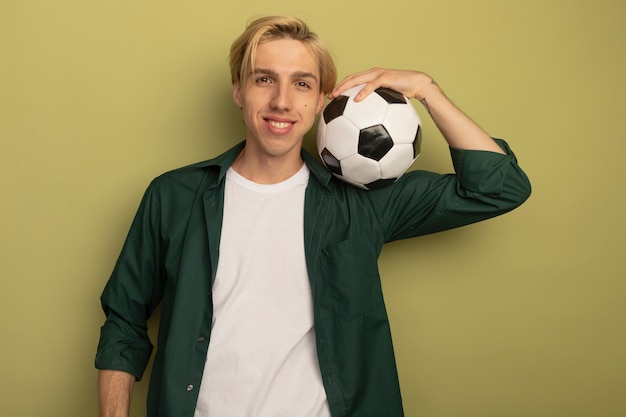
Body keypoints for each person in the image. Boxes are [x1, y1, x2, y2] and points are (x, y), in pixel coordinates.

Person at [95, 15, 531, 417]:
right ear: (238, 90)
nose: (282, 101)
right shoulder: (173, 196)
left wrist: (426, 89)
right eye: (264, 79)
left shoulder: (362, 200)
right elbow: (125, 324)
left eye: (301, 84)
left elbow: (500, 187)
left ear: (324, 99)